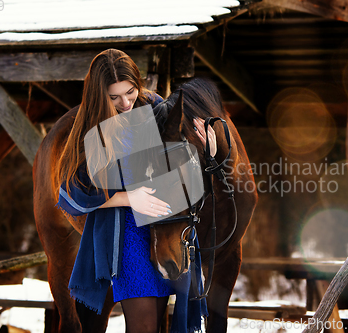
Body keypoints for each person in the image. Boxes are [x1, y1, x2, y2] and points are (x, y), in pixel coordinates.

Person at [52, 48, 216, 333]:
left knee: (160, 324)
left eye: (129, 92)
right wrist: (128, 197)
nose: (125, 102)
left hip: (164, 229)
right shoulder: (91, 128)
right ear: (99, 96)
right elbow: (71, 192)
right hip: (126, 234)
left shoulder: (155, 107)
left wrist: (206, 151)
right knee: (143, 327)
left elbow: (178, 162)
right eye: (114, 97)